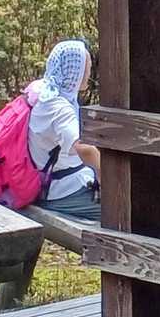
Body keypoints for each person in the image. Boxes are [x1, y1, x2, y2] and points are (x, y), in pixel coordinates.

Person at [28, 39, 102, 223]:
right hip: (61, 191)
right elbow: (83, 148)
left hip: (47, 183)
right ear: (74, 71)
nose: (89, 73)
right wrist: (106, 177)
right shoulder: (60, 108)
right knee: (125, 213)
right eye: (86, 67)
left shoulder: (41, 91)